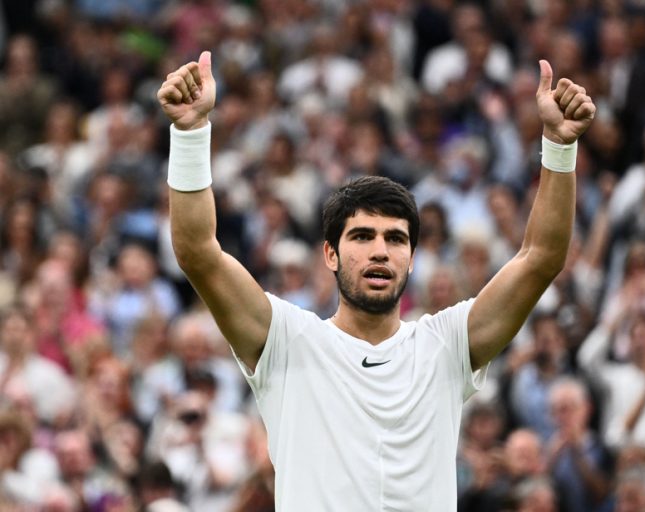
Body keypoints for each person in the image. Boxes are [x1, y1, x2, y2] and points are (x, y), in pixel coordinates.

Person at [156, 50, 594, 510]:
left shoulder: (445, 346)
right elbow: (198, 253)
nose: (380, 250)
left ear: (412, 257)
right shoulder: (286, 341)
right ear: (329, 253)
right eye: (362, 236)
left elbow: (541, 257)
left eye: (395, 239)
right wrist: (189, 132)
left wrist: (560, 147)